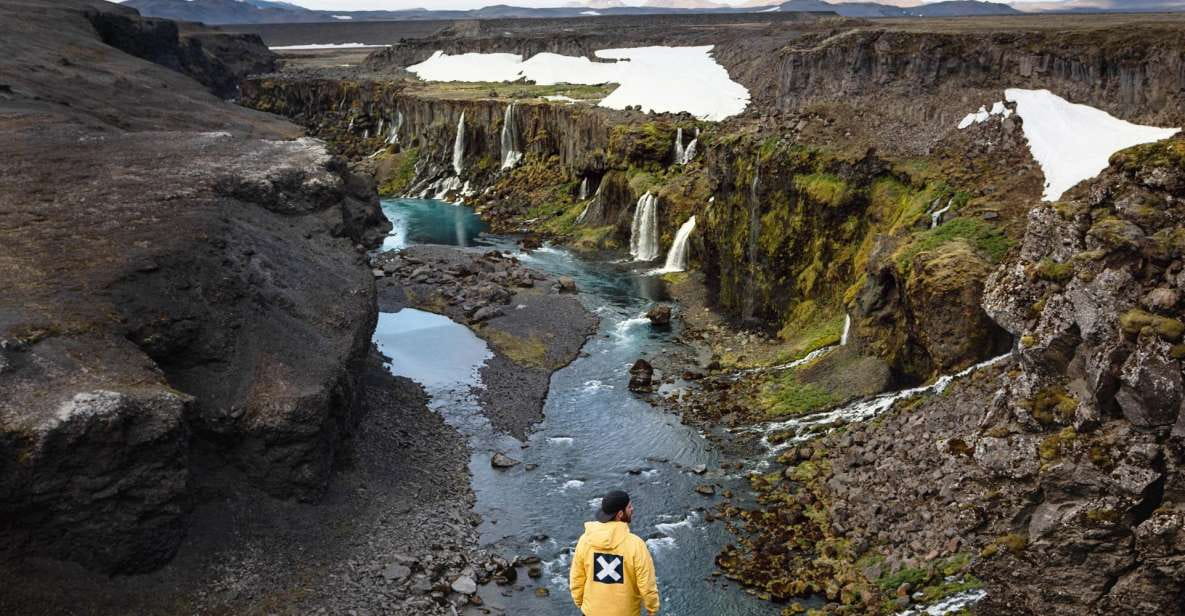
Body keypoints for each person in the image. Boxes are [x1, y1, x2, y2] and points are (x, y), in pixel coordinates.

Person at [569, 490, 660, 616]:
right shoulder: (636, 544)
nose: (632, 509)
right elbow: (647, 585)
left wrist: (582, 604)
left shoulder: (585, 540)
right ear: (620, 514)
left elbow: (576, 578)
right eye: (629, 507)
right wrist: (652, 609)